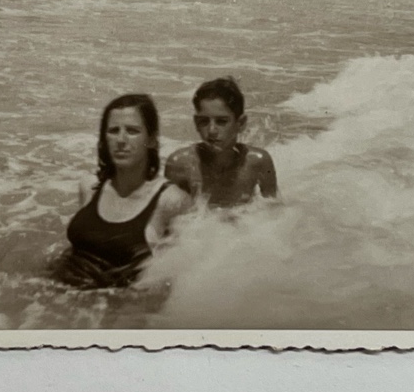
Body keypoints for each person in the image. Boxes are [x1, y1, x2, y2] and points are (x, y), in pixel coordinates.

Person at [58, 94, 192, 288]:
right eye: (113, 130)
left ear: (152, 140)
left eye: (132, 131)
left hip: (116, 312)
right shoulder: (90, 187)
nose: (121, 140)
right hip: (55, 303)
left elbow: (181, 278)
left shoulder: (171, 200)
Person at [165, 76, 279, 208]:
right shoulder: (180, 164)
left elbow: (273, 214)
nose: (212, 130)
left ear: (240, 124)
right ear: (196, 123)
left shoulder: (258, 162)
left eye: (221, 121)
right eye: (204, 121)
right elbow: (170, 218)